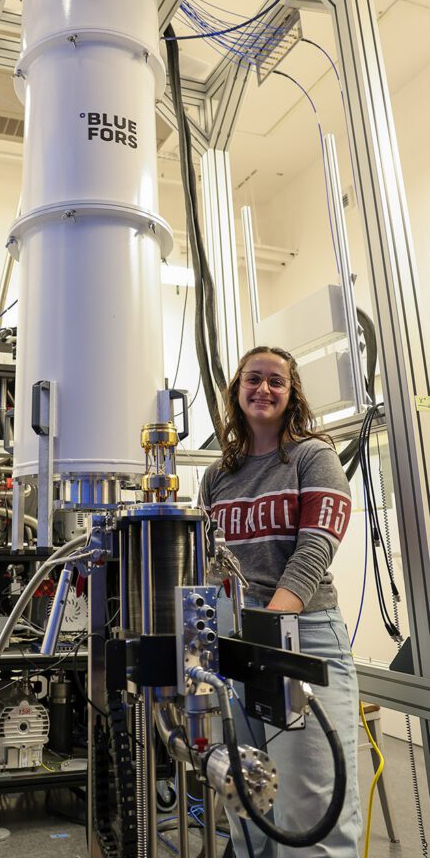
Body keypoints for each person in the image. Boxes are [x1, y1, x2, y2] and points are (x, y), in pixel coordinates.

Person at [199, 345, 361, 858]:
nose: (263, 388)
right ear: (237, 390)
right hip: (237, 641)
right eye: (253, 378)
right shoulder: (217, 475)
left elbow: (316, 547)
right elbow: (212, 562)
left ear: (292, 395)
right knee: (246, 794)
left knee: (311, 807)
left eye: (276, 381)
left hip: (301, 637)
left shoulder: (314, 455)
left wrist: (266, 632)